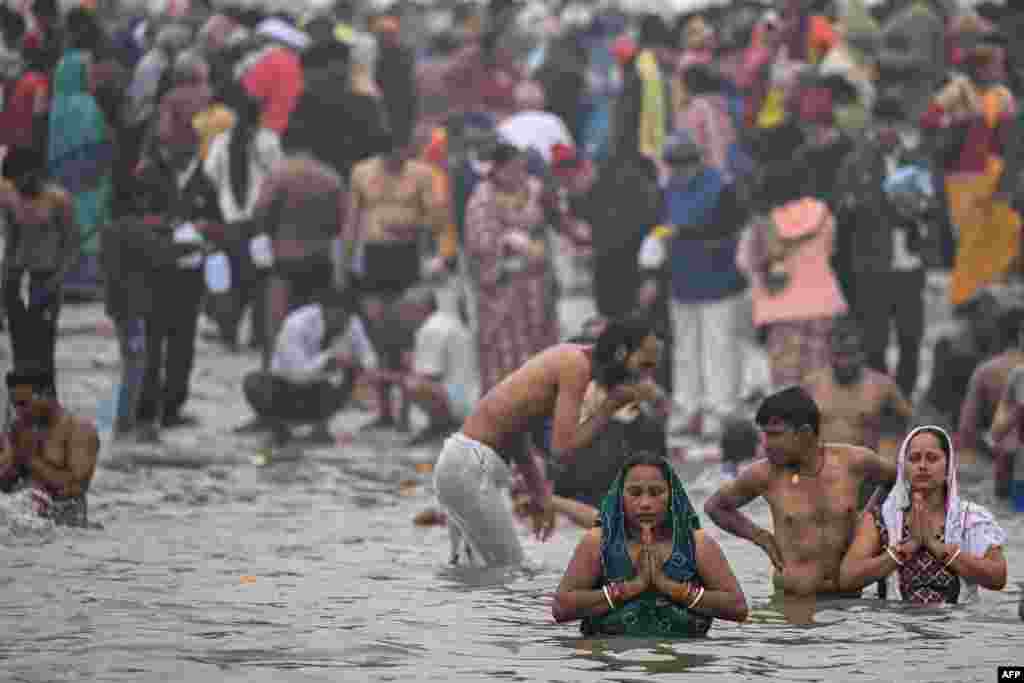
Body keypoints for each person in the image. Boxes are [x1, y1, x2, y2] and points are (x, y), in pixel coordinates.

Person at [433, 316, 663, 567]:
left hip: (460, 464)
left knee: (476, 579)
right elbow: (561, 450)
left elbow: (516, 431)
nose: (646, 377)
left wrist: (541, 494)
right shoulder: (576, 366)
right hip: (470, 468)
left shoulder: (570, 361)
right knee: (511, 573)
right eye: (645, 365)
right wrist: (607, 409)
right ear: (621, 353)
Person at [704, 386, 897, 623]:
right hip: (791, 608)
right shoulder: (764, 474)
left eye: (775, 434)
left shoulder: (854, 462)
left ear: (805, 433)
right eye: (764, 434)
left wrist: (870, 521)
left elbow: (896, 481)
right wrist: (760, 537)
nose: (765, 444)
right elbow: (715, 507)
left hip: (850, 608)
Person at [552, 451, 748, 637]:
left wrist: (672, 588)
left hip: (680, 666)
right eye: (635, 493)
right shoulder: (599, 542)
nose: (645, 503)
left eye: (656, 492)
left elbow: (738, 608)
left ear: (672, 495)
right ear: (620, 496)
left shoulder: (696, 544)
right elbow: (561, 608)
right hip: (611, 667)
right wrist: (630, 588)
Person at [838, 426, 1008, 603]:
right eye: (914, 459)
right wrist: (904, 550)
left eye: (932, 458)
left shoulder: (971, 518)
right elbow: (848, 577)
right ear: (904, 468)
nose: (922, 466)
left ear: (948, 467)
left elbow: (998, 577)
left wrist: (937, 547)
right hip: (893, 626)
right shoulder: (881, 519)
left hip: (959, 627)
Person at [241, 288, 377, 446]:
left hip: (321, 391)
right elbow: (298, 374)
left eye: (347, 317)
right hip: (286, 388)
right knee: (253, 382)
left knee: (351, 372)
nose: (344, 323)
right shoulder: (297, 324)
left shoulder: (351, 322)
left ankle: (320, 428)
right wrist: (328, 360)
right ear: (324, 311)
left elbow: (369, 357)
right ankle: (277, 427)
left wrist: (359, 365)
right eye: (339, 317)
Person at [0, 169, 77, 376]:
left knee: (43, 346)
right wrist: (5, 284)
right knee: (20, 348)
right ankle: (24, 400)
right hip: (17, 278)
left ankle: (44, 400)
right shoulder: (12, 199)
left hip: (45, 278)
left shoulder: (58, 199)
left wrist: (58, 278)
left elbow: (70, 245)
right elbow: (10, 244)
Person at [0, 368, 99, 527]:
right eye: (14, 405)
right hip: (23, 522)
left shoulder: (79, 431)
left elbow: (74, 488)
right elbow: (6, 485)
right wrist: (9, 465)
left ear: (47, 394)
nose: (18, 411)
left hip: (66, 530)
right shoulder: (18, 429)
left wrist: (29, 459)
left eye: (23, 404)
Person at [803, 318, 913, 457]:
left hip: (866, 469)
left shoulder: (882, 385)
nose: (844, 362)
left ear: (862, 354)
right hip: (823, 467)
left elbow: (911, 423)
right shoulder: (811, 385)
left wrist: (890, 451)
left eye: (850, 354)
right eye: (838, 355)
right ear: (829, 354)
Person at [387, 286, 477, 447]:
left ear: (418, 308)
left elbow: (425, 378)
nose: (401, 316)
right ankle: (442, 424)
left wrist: (383, 376)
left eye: (404, 309)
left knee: (412, 383)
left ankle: (441, 426)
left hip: (459, 401)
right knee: (411, 380)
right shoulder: (445, 321)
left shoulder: (431, 329)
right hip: (469, 396)